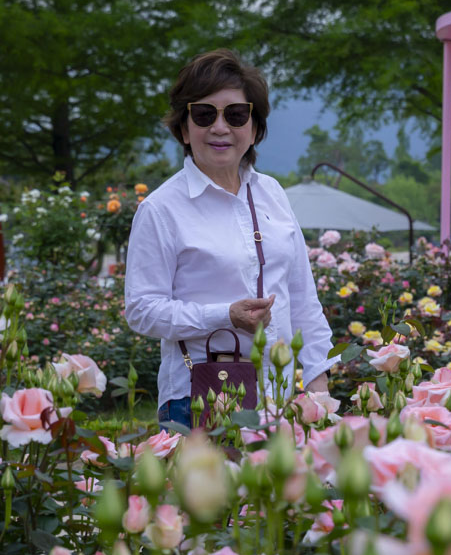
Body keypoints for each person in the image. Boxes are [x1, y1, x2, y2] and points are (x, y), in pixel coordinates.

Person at [123, 49, 335, 428]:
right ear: (184, 129)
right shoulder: (160, 208)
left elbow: (302, 299)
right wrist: (224, 316)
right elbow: (141, 309)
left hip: (278, 398)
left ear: (254, 129)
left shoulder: (273, 194)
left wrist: (319, 386)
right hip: (197, 397)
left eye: (235, 115)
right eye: (204, 115)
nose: (220, 128)